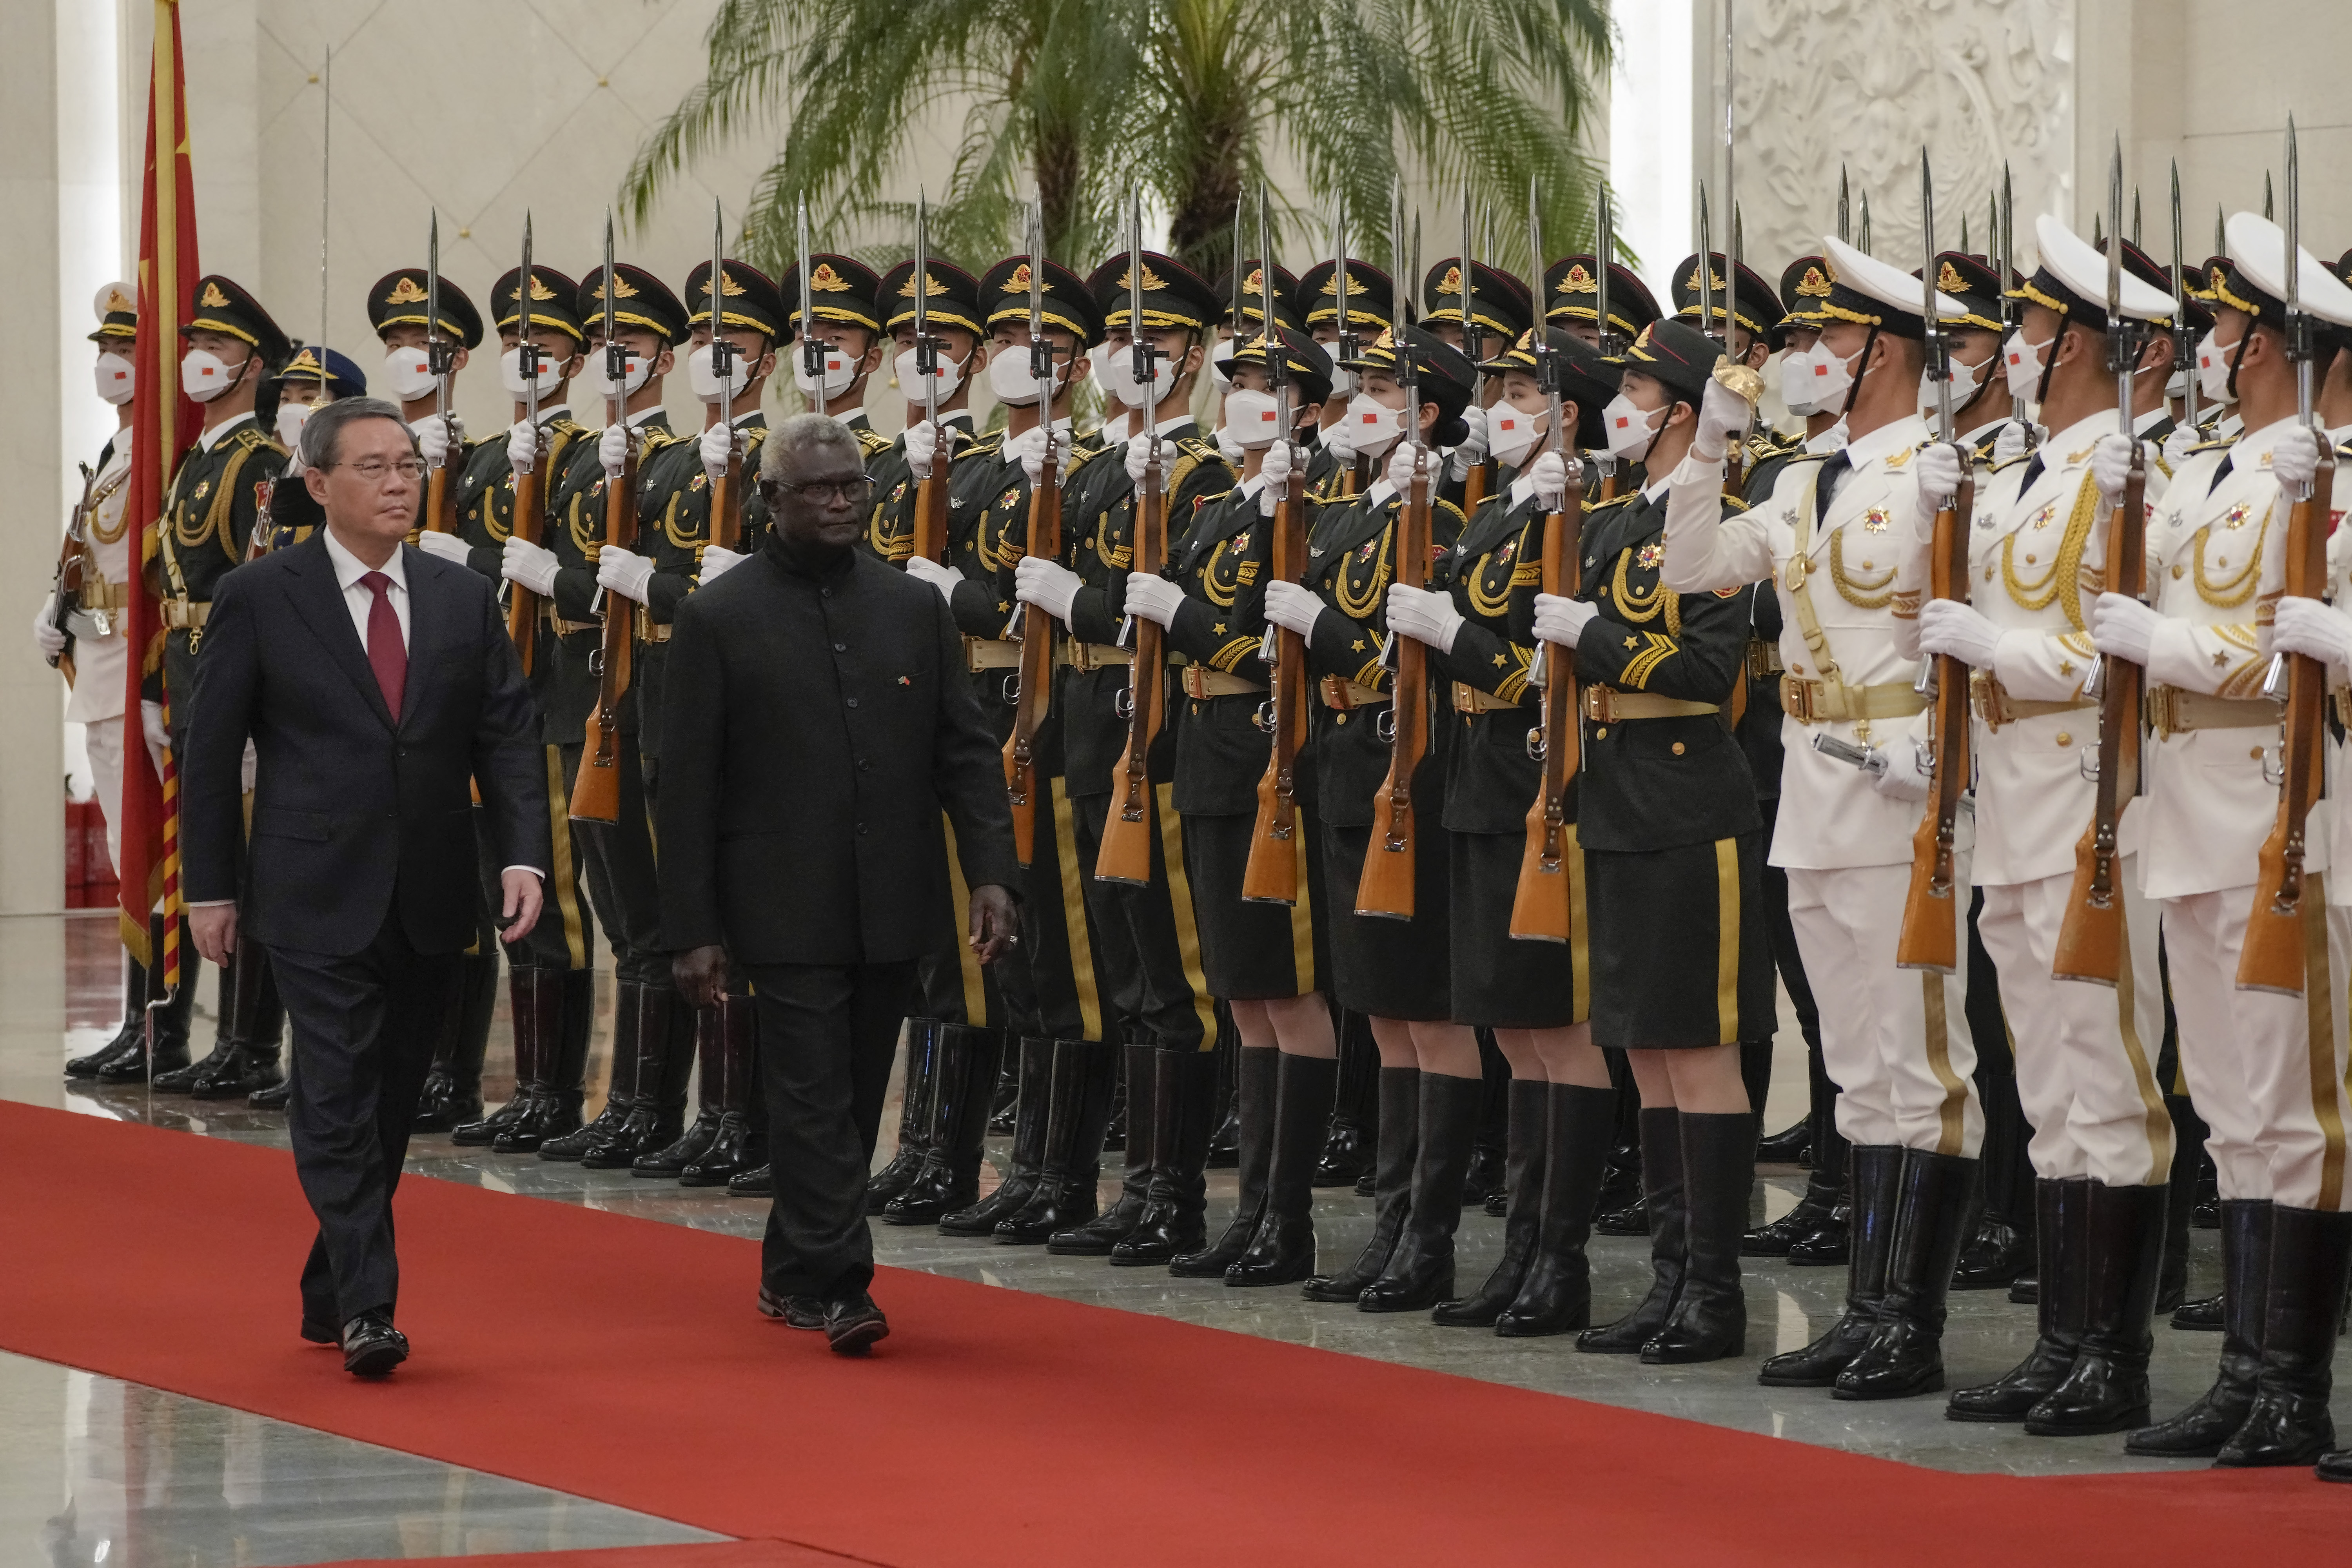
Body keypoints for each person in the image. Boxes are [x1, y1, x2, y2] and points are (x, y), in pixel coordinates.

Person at [1662, 238, 1984, 1401]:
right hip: (1812, 789)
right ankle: (1866, 1310)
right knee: (1854, 1070)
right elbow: (1689, 565)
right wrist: (1710, 442)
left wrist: (1946, 754)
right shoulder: (1800, 479)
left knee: (1921, 1063)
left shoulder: (1939, 471)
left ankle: (1915, 1321)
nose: (1796, 359)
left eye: (1817, 341)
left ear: (1878, 351)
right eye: (1794, 341)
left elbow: (1965, 628)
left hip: (1902, 792)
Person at [181, 396, 550, 1377]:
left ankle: (328, 1284)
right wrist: (208, 886)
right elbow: (210, 752)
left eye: (408, 465)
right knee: (337, 1090)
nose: (398, 483)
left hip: (430, 886)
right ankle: (371, 1307)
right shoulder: (262, 594)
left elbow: (506, 733)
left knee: (389, 1102)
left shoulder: (459, 593)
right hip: (310, 884)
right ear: (318, 484)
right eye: (375, 467)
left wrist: (522, 855)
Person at [657, 412, 1021, 1355]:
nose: (840, 501)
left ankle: (790, 1270)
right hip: (778, 905)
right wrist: (691, 926)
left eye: (853, 485)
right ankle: (846, 1284)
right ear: (770, 500)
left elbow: (966, 753)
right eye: (817, 488)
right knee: (813, 1093)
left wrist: (991, 871)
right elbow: (685, 784)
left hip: (893, 899)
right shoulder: (718, 616)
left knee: (855, 1097)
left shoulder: (912, 606)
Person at [1916, 216, 2178, 1435]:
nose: (2009, 348)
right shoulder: (2027, 470)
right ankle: (2062, 1339)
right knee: (2049, 1084)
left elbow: (2115, 649)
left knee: (2108, 1076)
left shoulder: (2133, 474)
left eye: (2024, 327)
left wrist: (2000, 650)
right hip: (2013, 804)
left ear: (2075, 341)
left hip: (2090, 803)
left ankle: (2111, 1357)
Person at [2103, 214, 2352, 1470]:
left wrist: (2175, 649)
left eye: (2218, 326)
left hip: (2276, 814)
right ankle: (2246, 1376)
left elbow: (2290, 656)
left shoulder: (2336, 474)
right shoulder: (2202, 471)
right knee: (2233, 1115)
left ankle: (2292, 1387)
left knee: (2291, 1105)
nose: (2203, 347)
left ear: (2272, 342)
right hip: (2186, 813)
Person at [1011, 249, 1235, 1264]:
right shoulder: (1099, 467)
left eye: (1152, 341)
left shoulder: (1203, 474)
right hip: (1088, 729)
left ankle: (1172, 1194)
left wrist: (1073, 600)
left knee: (1170, 970)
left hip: (1158, 731)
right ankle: (1123, 1185)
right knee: (1119, 962)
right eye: (1112, 340)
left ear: (1192, 358)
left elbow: (1164, 608)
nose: (1123, 356)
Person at [1403, 326, 1624, 1333]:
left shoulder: (1586, 515)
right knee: (1511, 1026)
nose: (1491, 400)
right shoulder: (1497, 508)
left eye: (1510, 388)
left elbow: (1557, 668)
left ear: (1563, 413)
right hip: (1478, 777)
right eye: (1490, 384)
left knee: (1559, 1024)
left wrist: (1461, 645)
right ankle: (1521, 1245)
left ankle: (1559, 1256)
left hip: (1549, 776)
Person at [1263, 323, 1483, 1311]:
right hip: (1349, 772)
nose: (1358, 401)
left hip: (1419, 772)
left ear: (1424, 413)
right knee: (1384, 1015)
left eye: (1382, 390)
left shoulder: (1442, 522)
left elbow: (1423, 652)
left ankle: (1427, 1235)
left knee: (1430, 1012)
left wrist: (1330, 633)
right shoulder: (1354, 514)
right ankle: (1391, 1221)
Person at [1122, 319, 1341, 1285]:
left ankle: (1285, 1217)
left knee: (1288, 990)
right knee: (1244, 997)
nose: (1243, 392)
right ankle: (1249, 1205)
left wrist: (1188, 622)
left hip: (1267, 751)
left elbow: (1269, 644)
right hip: (1209, 756)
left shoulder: (1301, 507)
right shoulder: (1221, 502)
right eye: (1239, 376)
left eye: (1266, 381)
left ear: (1308, 406)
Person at [412, 262, 595, 1152]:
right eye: (515, 342)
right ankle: (477, 1079)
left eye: (545, 344)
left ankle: (551, 1091)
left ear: (578, 356)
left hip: (553, 697)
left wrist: (476, 561)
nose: (526, 356)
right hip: (473, 704)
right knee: (486, 890)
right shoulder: (481, 455)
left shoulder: (598, 455)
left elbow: (570, 577)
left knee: (548, 891)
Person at [529, 263, 692, 1170]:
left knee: (655, 909)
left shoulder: (678, 459)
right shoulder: (584, 456)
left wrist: (573, 581)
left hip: (648, 701)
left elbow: (681, 587)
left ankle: (656, 1104)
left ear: (664, 356)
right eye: (605, 345)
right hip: (577, 693)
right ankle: (626, 1099)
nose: (612, 358)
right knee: (618, 909)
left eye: (629, 344)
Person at [53, 285, 152, 1083]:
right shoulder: (115, 454)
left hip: (135, 676)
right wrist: (61, 618)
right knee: (126, 855)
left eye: (123, 351)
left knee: (145, 853)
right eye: (102, 351)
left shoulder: (154, 454)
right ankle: (136, 1021)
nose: (108, 364)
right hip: (102, 674)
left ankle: (154, 1025)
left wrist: (101, 629)